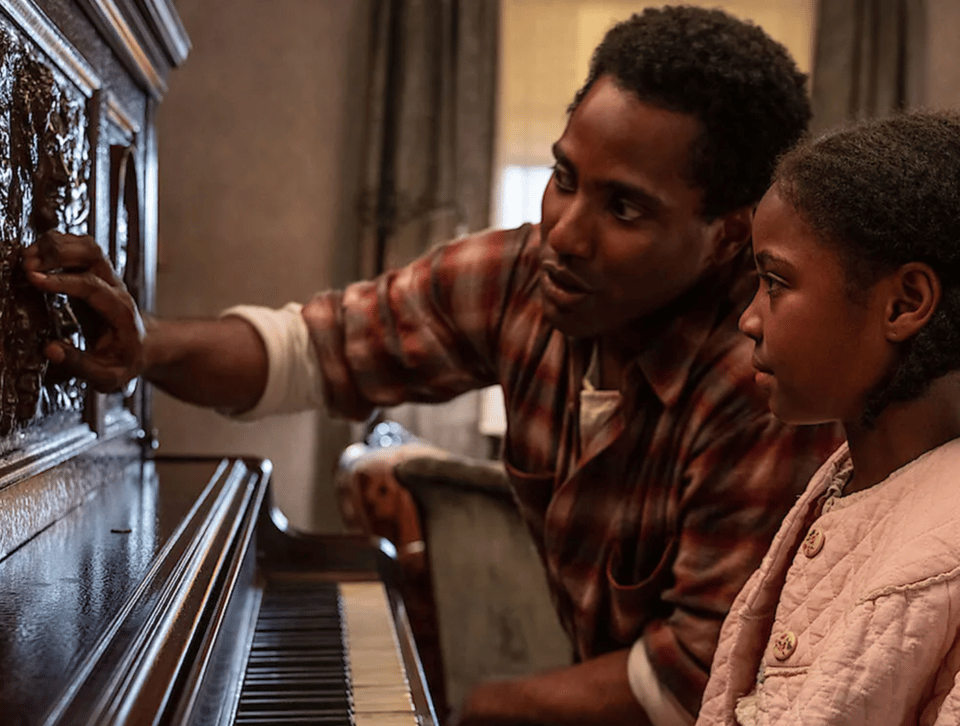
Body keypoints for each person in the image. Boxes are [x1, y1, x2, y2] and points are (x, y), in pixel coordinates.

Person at [23, 7, 842, 726]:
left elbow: (697, 678)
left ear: (728, 236)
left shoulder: (768, 379)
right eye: (564, 178)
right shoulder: (523, 277)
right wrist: (146, 343)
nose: (562, 232)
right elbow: (309, 351)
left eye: (623, 207)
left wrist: (482, 708)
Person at [697, 111, 960, 725]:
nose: (750, 319)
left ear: (906, 303)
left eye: (776, 283)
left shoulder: (942, 550)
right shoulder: (849, 478)